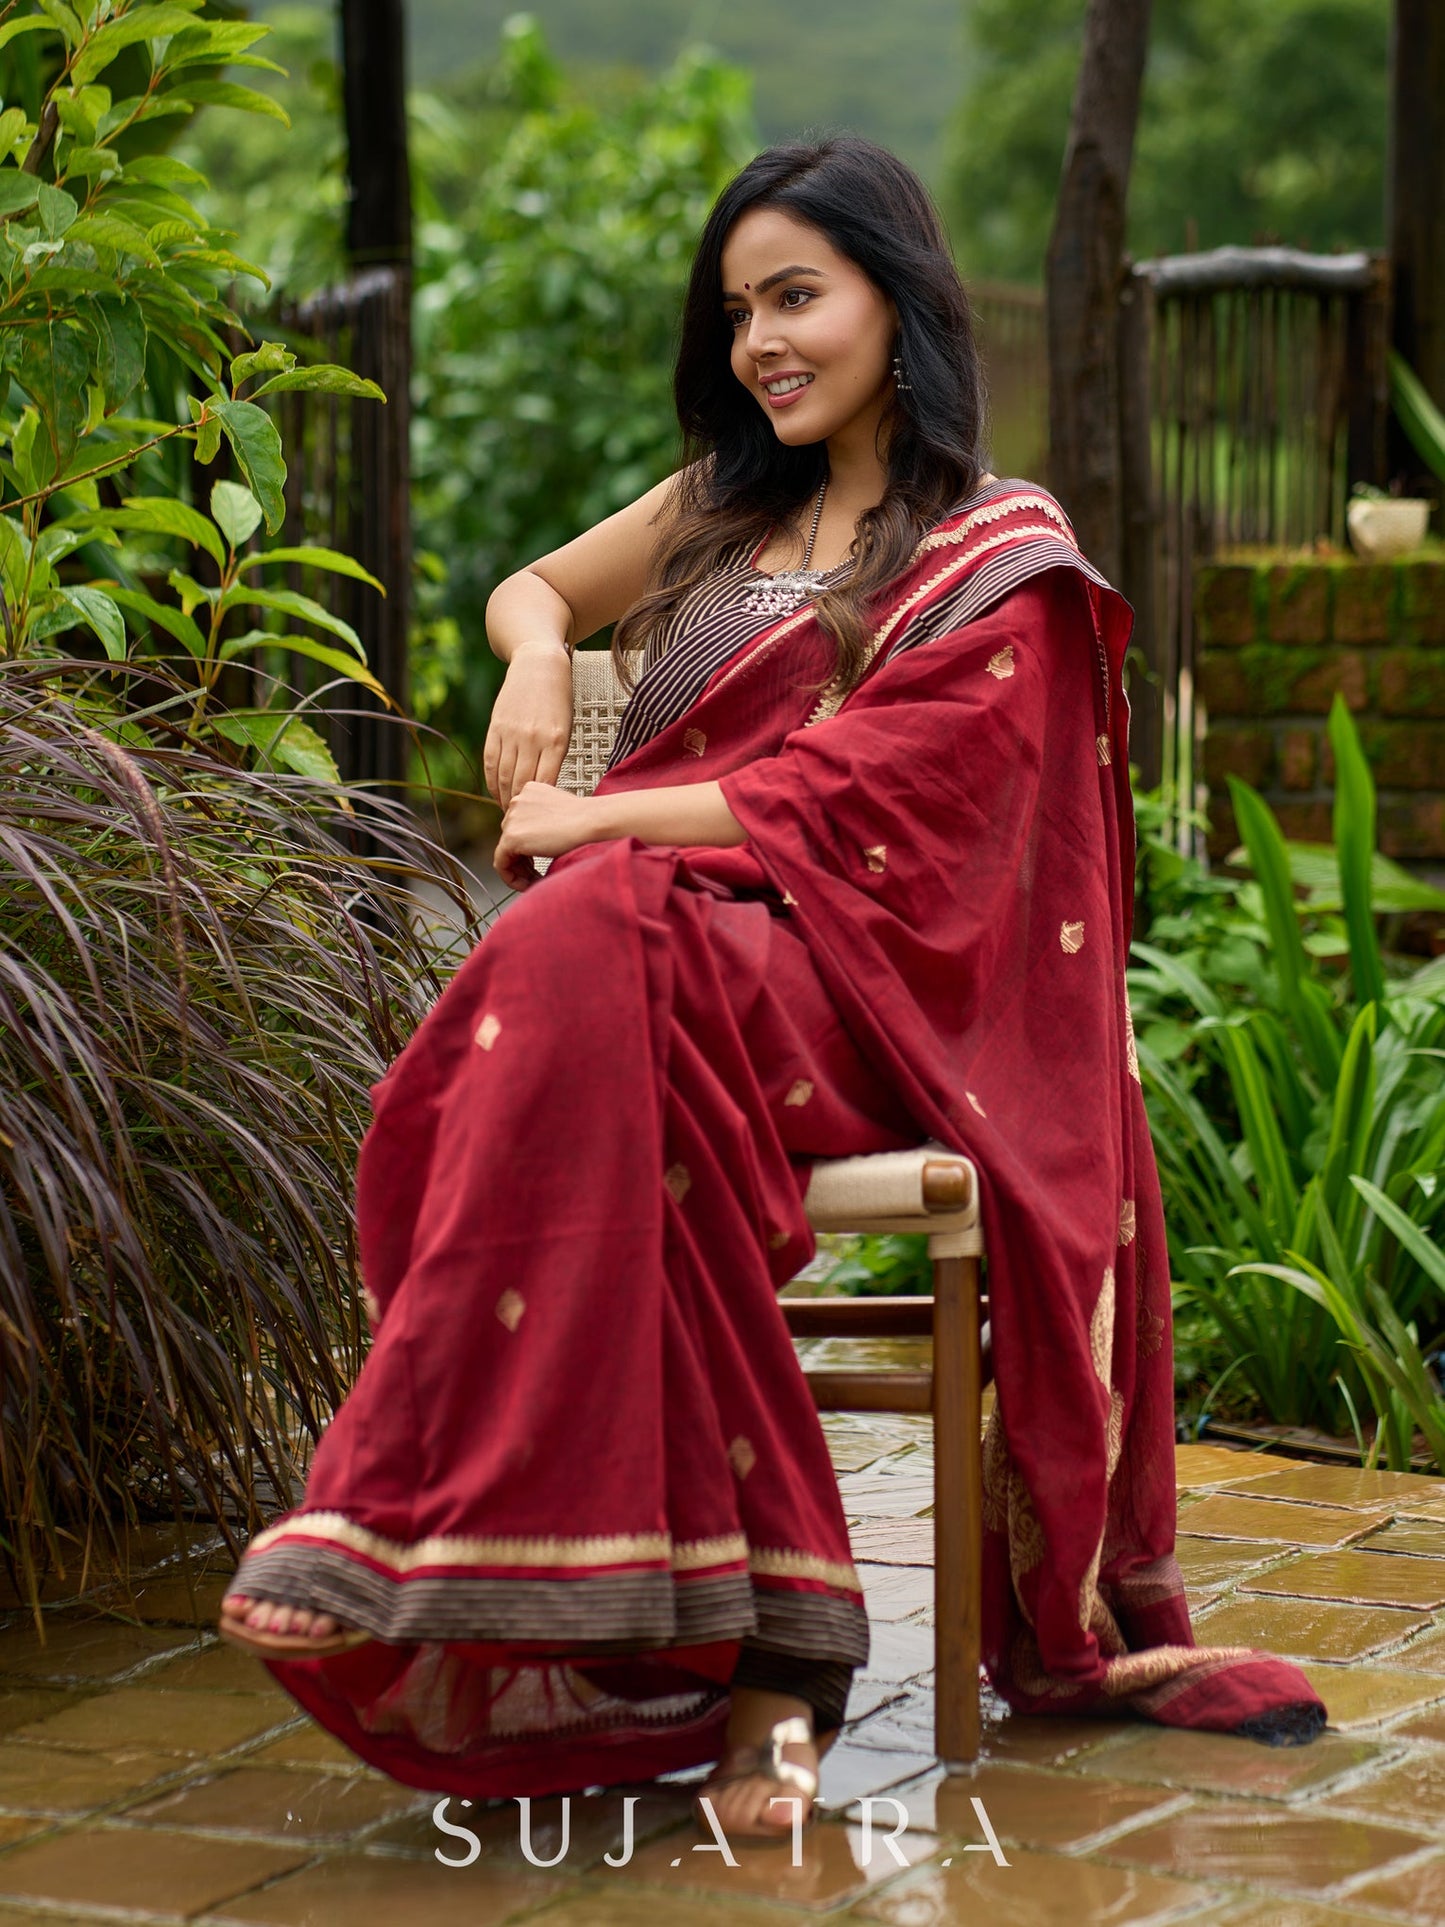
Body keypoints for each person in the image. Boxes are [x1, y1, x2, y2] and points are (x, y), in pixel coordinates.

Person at [220, 136, 1325, 1843]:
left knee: (569, 935)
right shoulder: (717, 504)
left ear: (900, 299)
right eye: (738, 310)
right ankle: (780, 1656)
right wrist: (533, 649)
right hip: (670, 971)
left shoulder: (989, 542)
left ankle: (389, 1504)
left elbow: (898, 800)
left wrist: (598, 816)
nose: (761, 343)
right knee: (584, 967)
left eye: (797, 296)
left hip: (873, 1002)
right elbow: (534, 589)